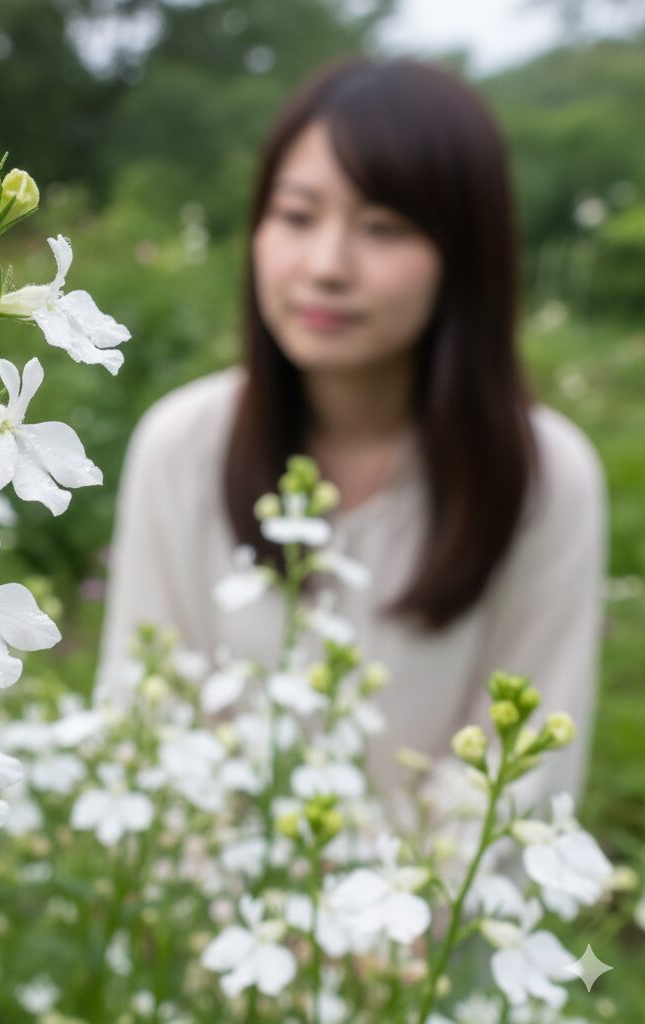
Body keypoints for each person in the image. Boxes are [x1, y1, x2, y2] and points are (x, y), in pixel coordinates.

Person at [95, 56, 609, 809]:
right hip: (202, 918)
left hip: (433, 914)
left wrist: (388, 917)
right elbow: (138, 722)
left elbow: (522, 778)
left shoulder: (545, 476)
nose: (327, 266)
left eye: (383, 226)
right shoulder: (182, 443)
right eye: (297, 216)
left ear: (464, 257)